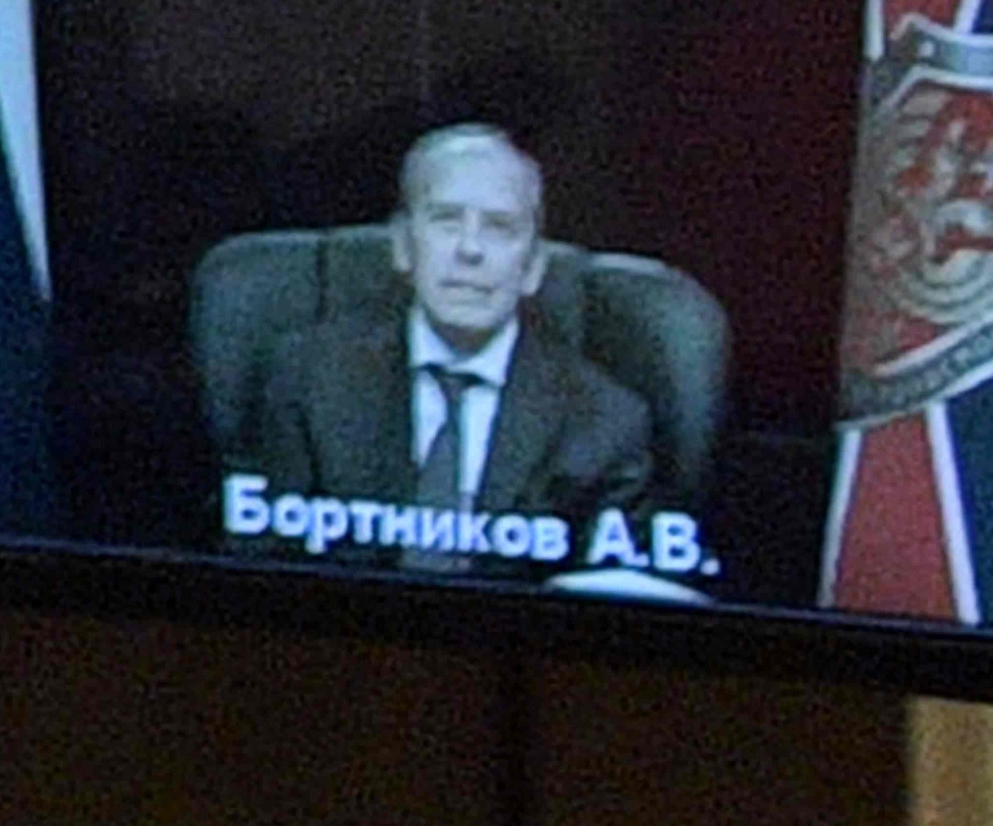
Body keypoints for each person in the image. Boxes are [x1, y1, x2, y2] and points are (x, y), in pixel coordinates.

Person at [204, 122, 709, 567]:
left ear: (532, 266)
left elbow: (614, 602)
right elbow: (261, 565)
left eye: (500, 227)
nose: (470, 250)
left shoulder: (607, 423)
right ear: (402, 245)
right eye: (447, 220)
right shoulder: (306, 376)